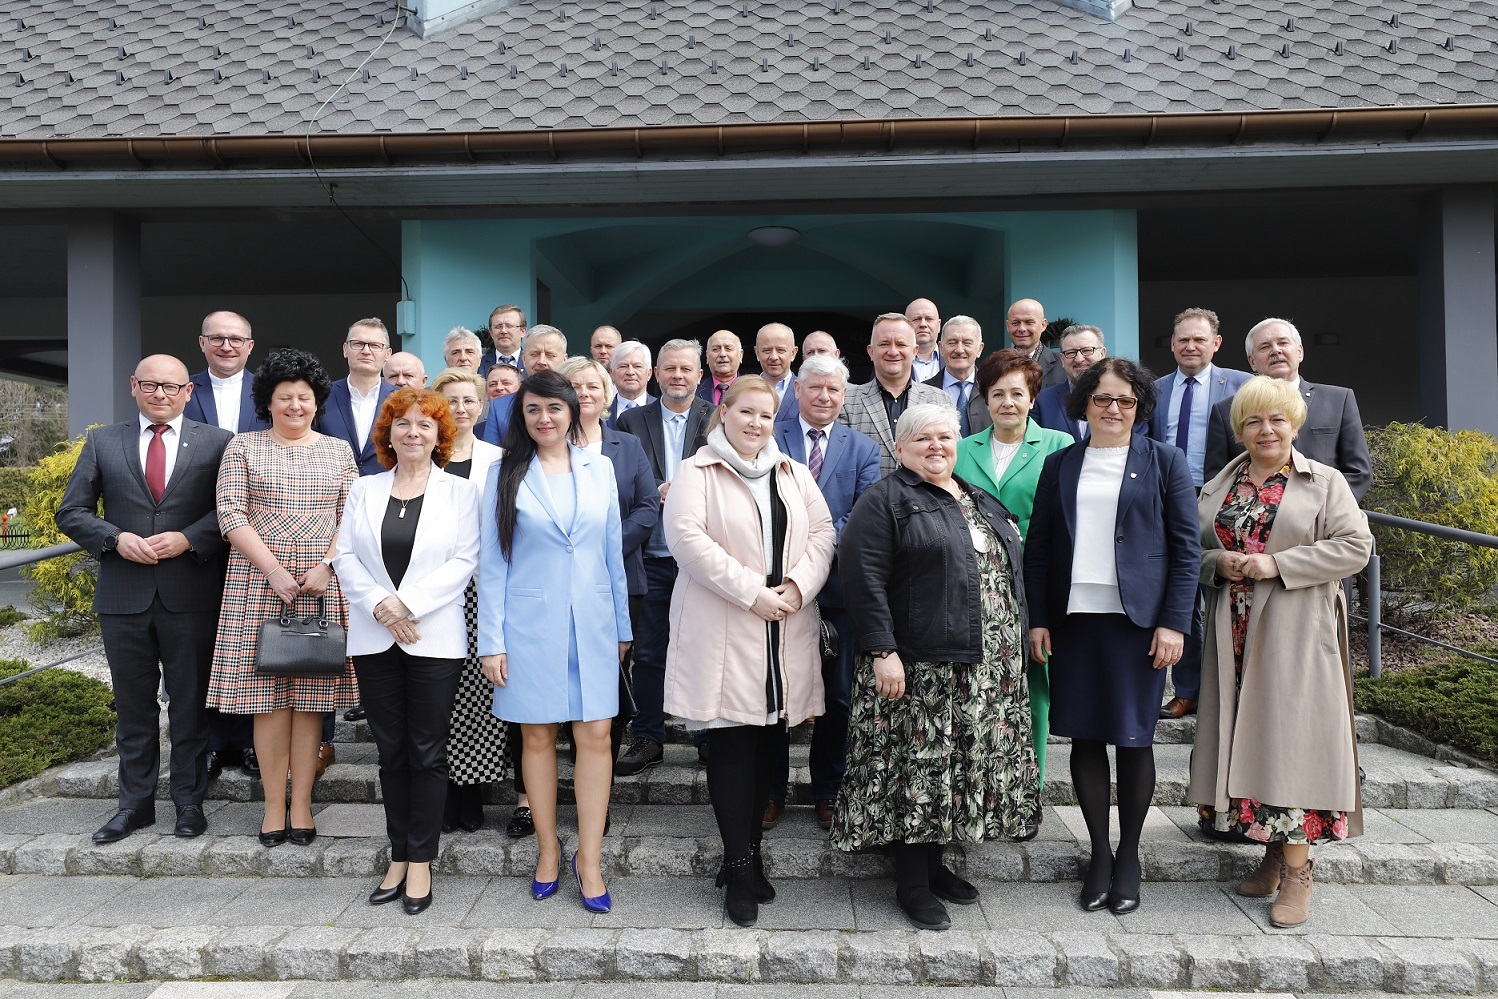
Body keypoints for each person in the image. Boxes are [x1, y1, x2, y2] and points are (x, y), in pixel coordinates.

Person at [833, 404, 1039, 931]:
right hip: (917, 664)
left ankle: (936, 863)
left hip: (981, 666)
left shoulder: (972, 496)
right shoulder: (884, 500)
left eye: (945, 437)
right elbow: (863, 579)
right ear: (899, 449)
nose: (936, 446)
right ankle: (912, 883)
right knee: (917, 769)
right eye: (922, 438)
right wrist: (882, 651)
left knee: (952, 768)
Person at [1189, 376, 1372, 929]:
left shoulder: (1325, 481)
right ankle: (1273, 850)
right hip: (1234, 632)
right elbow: (1192, 548)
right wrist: (1214, 565)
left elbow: (1356, 546)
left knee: (1291, 741)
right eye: (1252, 421)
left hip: (1296, 628)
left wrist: (1279, 564)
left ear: (1294, 425)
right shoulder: (1222, 483)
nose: (1265, 431)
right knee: (1251, 739)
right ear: (1238, 428)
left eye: (1276, 420)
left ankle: (1298, 872)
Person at [1024, 357, 1199, 916]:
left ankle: (1129, 855)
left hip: (1138, 624)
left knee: (1133, 737)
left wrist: (1174, 621)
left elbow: (1186, 551)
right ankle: (1098, 853)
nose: (1114, 409)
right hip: (1076, 621)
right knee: (1084, 736)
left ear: (1139, 406)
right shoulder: (1062, 464)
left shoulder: (1165, 461)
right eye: (1103, 399)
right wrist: (1039, 618)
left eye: (1125, 400)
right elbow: (1041, 547)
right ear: (1085, 404)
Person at [664, 375, 834, 927]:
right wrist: (751, 591)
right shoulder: (697, 470)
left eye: (766, 415)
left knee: (769, 742)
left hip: (783, 623)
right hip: (725, 623)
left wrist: (796, 587)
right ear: (724, 413)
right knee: (733, 743)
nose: (756, 424)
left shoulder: (794, 472)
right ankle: (738, 866)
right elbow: (687, 539)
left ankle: (753, 856)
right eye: (746, 413)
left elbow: (824, 533)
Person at [57, 355, 235, 844]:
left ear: (188, 391)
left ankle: (188, 802)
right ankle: (134, 805)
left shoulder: (218, 443)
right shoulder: (102, 441)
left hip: (191, 593)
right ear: (133, 387)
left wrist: (189, 538)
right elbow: (70, 511)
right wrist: (114, 538)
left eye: (171, 386)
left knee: (189, 706)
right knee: (134, 708)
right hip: (123, 596)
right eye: (151, 385)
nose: (161, 393)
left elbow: (234, 510)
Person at [478, 371, 632, 914]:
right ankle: (548, 849)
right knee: (537, 737)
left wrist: (623, 626)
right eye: (533, 409)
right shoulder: (501, 472)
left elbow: (613, 552)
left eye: (554, 408)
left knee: (596, 734)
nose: (545, 419)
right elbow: (491, 563)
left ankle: (588, 858)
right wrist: (491, 641)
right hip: (528, 624)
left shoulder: (601, 467)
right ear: (521, 416)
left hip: (592, 621)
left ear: (574, 411)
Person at [334, 388, 480, 915]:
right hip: (375, 637)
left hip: (433, 637)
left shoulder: (459, 493)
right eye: (402, 423)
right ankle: (398, 853)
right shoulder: (364, 488)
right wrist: (380, 606)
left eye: (424, 424)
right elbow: (343, 554)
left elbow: (465, 560)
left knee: (427, 750)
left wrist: (407, 605)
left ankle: (421, 860)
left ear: (440, 435)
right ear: (388, 433)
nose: (412, 432)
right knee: (390, 751)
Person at [206, 348, 360, 848]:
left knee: (311, 700)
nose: (296, 405)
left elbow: (351, 518)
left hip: (320, 584)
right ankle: (273, 806)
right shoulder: (243, 447)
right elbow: (230, 514)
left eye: (305, 397)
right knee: (267, 702)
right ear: (267, 402)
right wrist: (273, 568)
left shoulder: (339, 452)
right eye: (285, 397)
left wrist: (324, 566)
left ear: (317, 402)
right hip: (257, 582)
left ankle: (302, 805)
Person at [952, 347, 1074, 839]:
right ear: (984, 399)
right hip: (971, 581)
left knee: (1034, 687)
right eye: (997, 393)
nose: (1007, 403)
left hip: (1033, 579)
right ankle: (976, 788)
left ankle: (1028, 791)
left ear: (1032, 398)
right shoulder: (962, 448)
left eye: (1017, 394)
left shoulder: (1059, 444)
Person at [764, 355, 880, 831]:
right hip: (780, 589)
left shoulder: (863, 448)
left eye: (835, 390)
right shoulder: (770, 439)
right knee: (774, 693)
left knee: (838, 698)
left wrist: (817, 549)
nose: (825, 397)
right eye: (816, 389)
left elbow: (865, 512)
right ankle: (769, 791)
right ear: (797, 392)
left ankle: (827, 789)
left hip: (838, 588)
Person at [1146, 308, 1252, 720]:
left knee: (1233, 593)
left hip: (1229, 500)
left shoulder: (1243, 385)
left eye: (1199, 339)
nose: (1190, 346)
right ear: (1173, 345)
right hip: (1172, 498)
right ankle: (1188, 689)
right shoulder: (1154, 389)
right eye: (1183, 340)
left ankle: (1236, 689)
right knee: (1183, 594)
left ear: (1216, 344)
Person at [614, 340, 714, 776]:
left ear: (699, 374)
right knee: (650, 651)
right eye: (670, 368)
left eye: (686, 369)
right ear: (656, 373)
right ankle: (649, 736)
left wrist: (687, 490)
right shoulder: (631, 420)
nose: (678, 376)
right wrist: (659, 489)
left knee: (705, 650)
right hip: (651, 554)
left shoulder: (717, 417)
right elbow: (625, 476)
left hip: (702, 559)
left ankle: (708, 739)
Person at [559, 356, 662, 770]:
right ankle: (576, 753)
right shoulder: (546, 446)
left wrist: (602, 548)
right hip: (562, 581)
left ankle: (603, 767)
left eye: (592, 386)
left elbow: (647, 507)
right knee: (569, 670)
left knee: (612, 675)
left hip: (620, 577)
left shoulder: (627, 445)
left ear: (606, 395)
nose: (584, 393)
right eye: (575, 386)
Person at [181, 310, 266, 780]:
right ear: (203, 342)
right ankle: (213, 742)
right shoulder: (181, 390)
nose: (227, 346)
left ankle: (254, 743)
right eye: (218, 338)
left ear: (250, 345)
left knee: (254, 640)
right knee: (207, 641)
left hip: (259, 535)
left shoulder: (269, 390)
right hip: (197, 534)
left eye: (236, 339)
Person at [429, 368, 508, 833]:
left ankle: (471, 793)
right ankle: (438, 792)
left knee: (476, 696)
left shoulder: (499, 458)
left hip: (480, 588)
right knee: (435, 694)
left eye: (468, 400)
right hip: (429, 591)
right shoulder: (420, 455)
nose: (460, 408)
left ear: (481, 406)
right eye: (451, 400)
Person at [1204, 318, 1372, 501]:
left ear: (1299, 352)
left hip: (1324, 520)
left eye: (1283, 342)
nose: (1276, 350)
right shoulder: (1226, 411)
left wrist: (1321, 509)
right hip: (1256, 520)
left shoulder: (1339, 400)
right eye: (1265, 346)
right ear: (1252, 362)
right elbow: (1217, 479)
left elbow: (1359, 472)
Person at [839, 313, 955, 475]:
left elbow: (951, 457)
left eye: (901, 344)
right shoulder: (846, 402)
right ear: (871, 352)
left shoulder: (939, 399)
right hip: (867, 498)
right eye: (884, 344)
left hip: (926, 498)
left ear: (914, 351)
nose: (893, 352)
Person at [319, 318, 396, 476]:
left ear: (388, 354)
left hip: (385, 493)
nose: (366, 351)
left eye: (375, 345)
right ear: (345, 349)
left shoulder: (402, 400)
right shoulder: (321, 396)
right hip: (333, 496)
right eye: (358, 343)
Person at [479, 325, 569, 447]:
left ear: (565, 360)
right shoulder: (499, 406)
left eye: (550, 355)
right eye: (534, 354)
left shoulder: (577, 401)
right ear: (524, 358)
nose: (541, 361)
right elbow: (490, 458)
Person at [1032, 324, 1108, 439]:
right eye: (1071, 353)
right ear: (1062, 359)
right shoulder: (1041, 401)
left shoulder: (1124, 400)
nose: (1079, 359)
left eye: (1087, 350)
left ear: (1102, 354)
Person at [924, 315, 988, 437]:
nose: (959, 350)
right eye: (952, 343)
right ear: (941, 348)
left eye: (967, 343)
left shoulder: (993, 389)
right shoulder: (922, 392)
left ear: (979, 349)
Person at [1006, 298, 1065, 390]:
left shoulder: (1063, 366)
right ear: (1008, 326)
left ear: (1043, 325)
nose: (1022, 328)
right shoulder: (997, 366)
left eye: (1029, 322)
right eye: (1015, 323)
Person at [753, 322, 799, 422]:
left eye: (780, 350)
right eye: (767, 350)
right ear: (757, 353)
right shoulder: (744, 390)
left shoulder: (805, 391)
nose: (774, 357)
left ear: (793, 353)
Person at [607, 341, 654, 423]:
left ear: (649, 373)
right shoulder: (601, 411)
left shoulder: (663, 409)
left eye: (637, 366)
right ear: (612, 373)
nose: (630, 372)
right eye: (623, 366)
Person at [697, 329, 743, 405]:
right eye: (716, 349)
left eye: (728, 349)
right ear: (707, 356)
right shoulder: (694, 390)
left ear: (740, 355)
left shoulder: (753, 389)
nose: (722, 354)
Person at [480, 304, 527, 376]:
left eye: (509, 326)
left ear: (522, 331)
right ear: (491, 332)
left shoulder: (531, 362)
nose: (503, 331)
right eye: (498, 326)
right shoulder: (480, 363)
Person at [905, 298, 944, 383]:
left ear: (939, 325)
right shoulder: (894, 359)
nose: (923, 324)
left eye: (929, 319)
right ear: (905, 325)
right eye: (916, 319)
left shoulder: (951, 359)